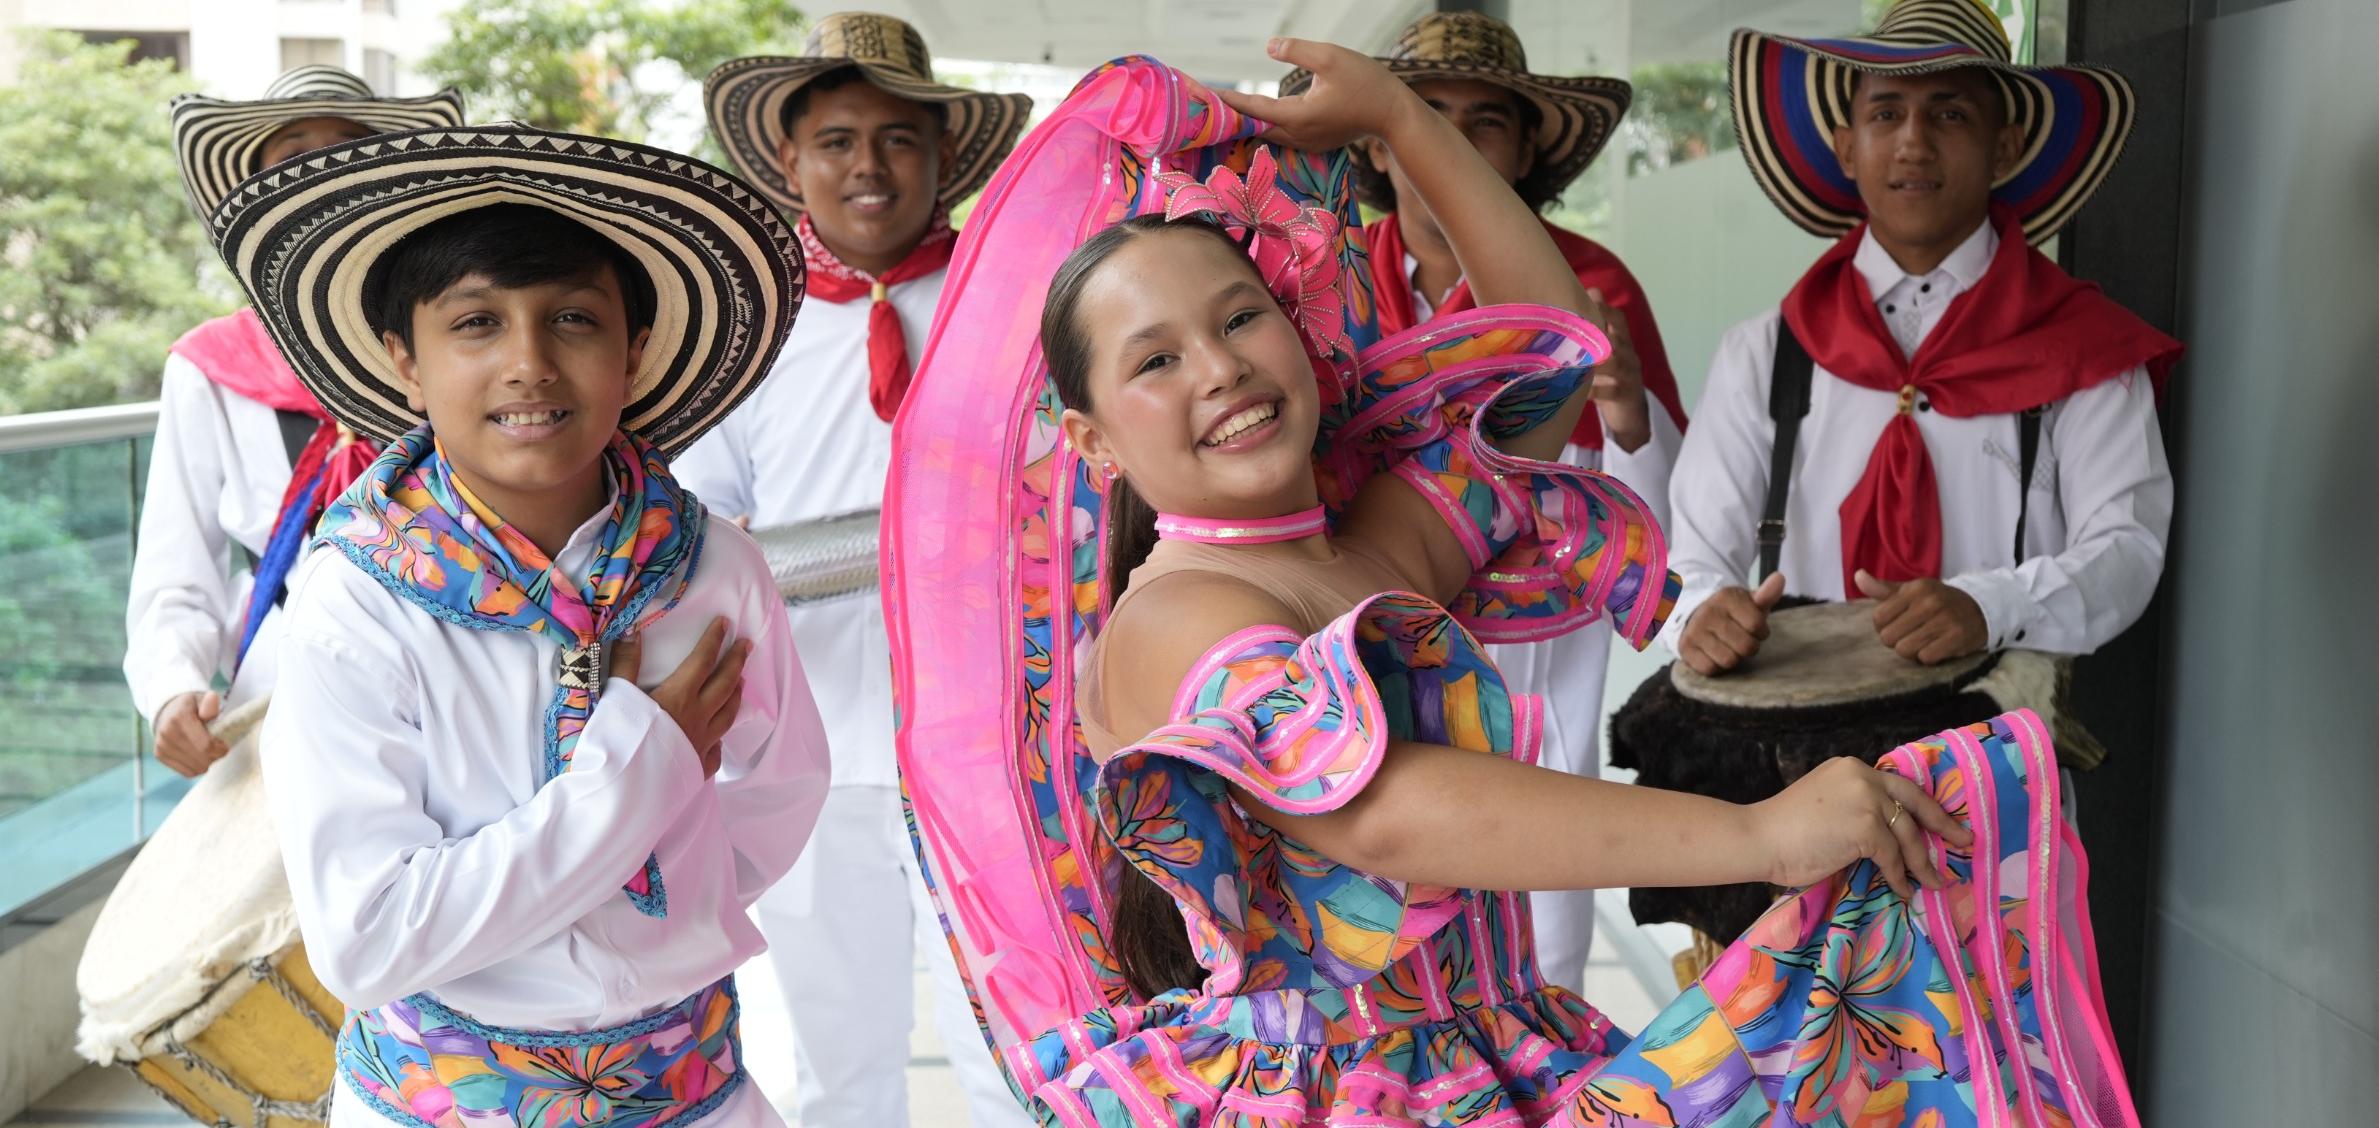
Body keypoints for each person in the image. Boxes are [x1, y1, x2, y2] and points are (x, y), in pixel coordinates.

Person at [885, 42, 2136, 1126]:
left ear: (1300, 336)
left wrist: (1399, 122)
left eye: (1241, 318)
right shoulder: (1178, 616)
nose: (1217, 367)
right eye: (1154, 358)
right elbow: (1377, 808)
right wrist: (1756, 834)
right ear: (1094, 442)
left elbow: (1552, 356)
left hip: (1479, 1053)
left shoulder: (1370, 543)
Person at [228, 125, 831, 1127]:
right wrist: (644, 771)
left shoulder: (710, 564)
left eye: (573, 320)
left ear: (633, 351)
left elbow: (780, 791)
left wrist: (660, 927)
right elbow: (368, 938)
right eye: (475, 324)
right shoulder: (359, 599)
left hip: (687, 1091)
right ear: (404, 362)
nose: (527, 363)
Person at [692, 13, 1034, 1127]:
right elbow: (701, 531)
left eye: (896, 138)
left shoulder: (1014, 307)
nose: (867, 166)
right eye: (836, 140)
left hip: (991, 740)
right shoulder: (746, 327)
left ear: (942, 158)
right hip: (808, 748)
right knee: (842, 1062)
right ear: (789, 161)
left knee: (1008, 1046)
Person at [1309, 9, 1689, 992]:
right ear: (1378, 146)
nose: (1448, 143)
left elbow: (1655, 505)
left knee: (1535, 956)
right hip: (1358, 664)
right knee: (1370, 955)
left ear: (1523, 152)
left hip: (1532, 671)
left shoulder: (1589, 288)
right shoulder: (1320, 285)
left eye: (1481, 124)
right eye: (1423, 117)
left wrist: (1628, 408)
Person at [1666, 0, 2179, 684]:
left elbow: (2126, 550)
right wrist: (1699, 612)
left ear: (2005, 147)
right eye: (1885, 113)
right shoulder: (1762, 353)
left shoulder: (2084, 350)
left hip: (1998, 760)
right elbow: (1689, 560)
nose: (1912, 142)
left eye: (1949, 113)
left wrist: (1991, 604)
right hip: (1792, 772)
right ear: (1846, 148)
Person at [126, 65, 464, 777]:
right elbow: (175, 572)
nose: (325, 169)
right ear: (257, 195)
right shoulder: (211, 365)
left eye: (351, 147)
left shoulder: (457, 338)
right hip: (278, 695)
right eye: (295, 155)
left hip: (460, 676)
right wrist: (171, 690)